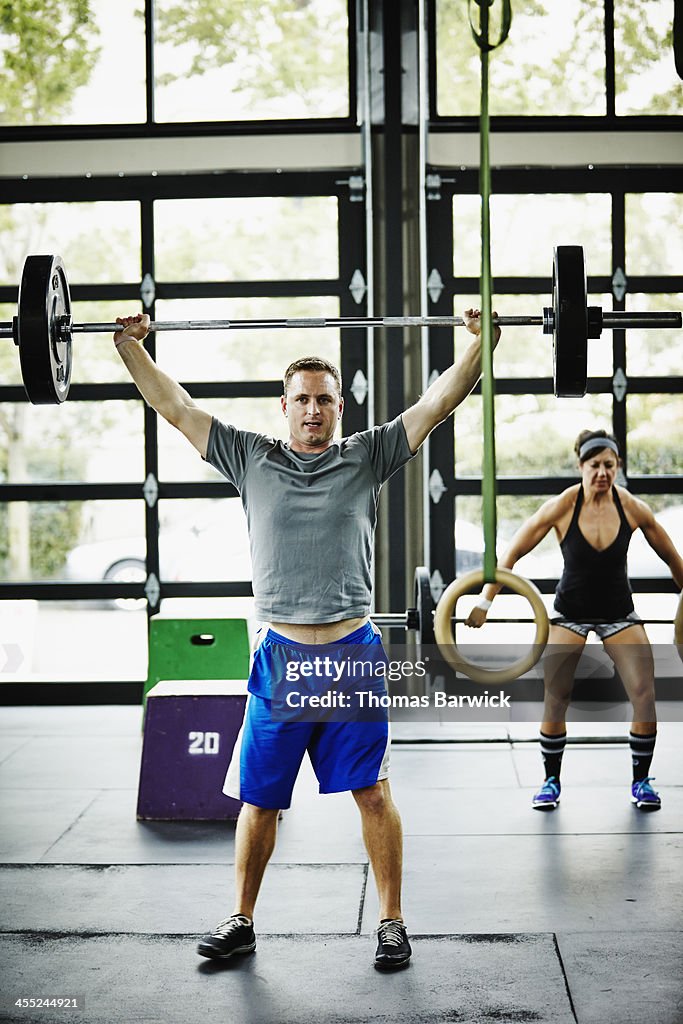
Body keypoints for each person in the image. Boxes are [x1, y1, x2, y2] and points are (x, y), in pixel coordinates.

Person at [114, 307, 500, 971]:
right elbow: (174, 407)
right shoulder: (249, 456)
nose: (313, 411)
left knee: (372, 793)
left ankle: (391, 922)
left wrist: (480, 345)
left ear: (339, 406)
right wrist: (129, 351)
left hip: (351, 655)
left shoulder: (367, 454)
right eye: (302, 400)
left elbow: (437, 402)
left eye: (324, 400)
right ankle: (241, 920)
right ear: (283, 405)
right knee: (260, 800)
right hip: (281, 658)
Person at [466, 429, 683, 812]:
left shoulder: (631, 507)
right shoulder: (564, 506)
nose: (602, 472)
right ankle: (550, 781)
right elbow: (512, 552)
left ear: (618, 468)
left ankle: (642, 781)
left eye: (609, 465)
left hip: (619, 613)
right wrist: (485, 601)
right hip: (570, 614)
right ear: (580, 466)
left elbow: (673, 559)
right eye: (595, 465)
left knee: (645, 693)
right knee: (556, 696)